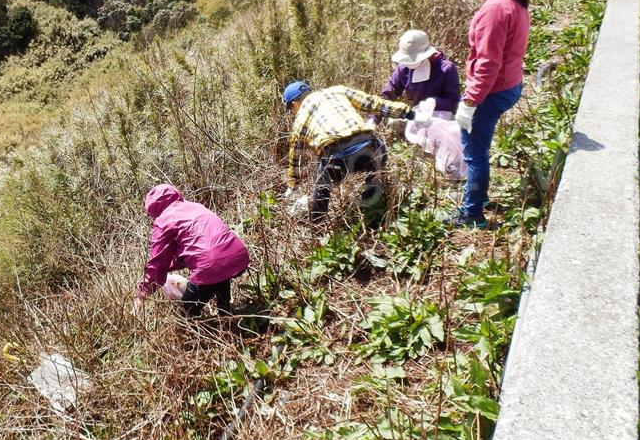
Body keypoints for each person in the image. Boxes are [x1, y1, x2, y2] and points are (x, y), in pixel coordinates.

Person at [447, 0, 530, 228]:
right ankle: (478, 194)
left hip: (491, 91)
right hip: (510, 84)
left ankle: (472, 214)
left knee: (473, 152)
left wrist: (470, 101)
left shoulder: (494, 9)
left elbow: (488, 63)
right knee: (479, 147)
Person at [282, 82, 413, 222]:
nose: (293, 112)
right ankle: (373, 208)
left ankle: (316, 222)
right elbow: (374, 103)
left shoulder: (300, 119)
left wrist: (293, 185)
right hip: (369, 147)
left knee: (321, 194)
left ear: (295, 104)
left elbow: (295, 157)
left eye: (291, 109)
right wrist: (409, 112)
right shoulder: (337, 91)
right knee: (375, 170)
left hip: (335, 158)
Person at [137, 184, 250, 318]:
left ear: (153, 210)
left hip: (211, 265)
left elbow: (157, 264)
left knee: (187, 309)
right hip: (239, 256)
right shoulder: (195, 206)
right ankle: (225, 313)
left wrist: (141, 294)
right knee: (219, 271)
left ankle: (199, 333)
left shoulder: (163, 221)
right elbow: (196, 248)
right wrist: (169, 267)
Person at [381, 29, 460, 119]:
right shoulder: (403, 69)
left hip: (441, 121)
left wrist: (434, 103)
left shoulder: (446, 69)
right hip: (417, 118)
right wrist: (373, 119)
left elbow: (454, 103)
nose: (410, 63)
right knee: (394, 123)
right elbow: (387, 95)